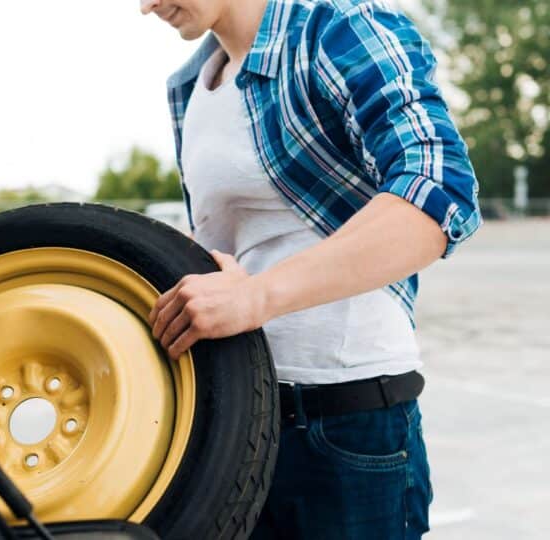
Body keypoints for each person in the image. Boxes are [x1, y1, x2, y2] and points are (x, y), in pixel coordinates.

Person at [141, 0, 481, 538]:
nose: (145, 7)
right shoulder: (189, 85)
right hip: (234, 423)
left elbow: (439, 191)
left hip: (346, 425)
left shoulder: (341, 28)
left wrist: (256, 297)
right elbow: (232, 253)